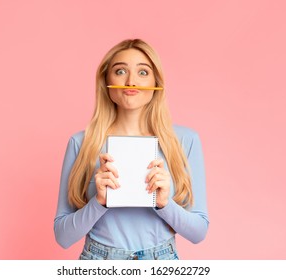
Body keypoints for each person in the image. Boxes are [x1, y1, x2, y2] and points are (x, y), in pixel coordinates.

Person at [54, 39, 209, 260]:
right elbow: (62, 237)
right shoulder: (81, 143)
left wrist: (165, 203)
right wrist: (98, 202)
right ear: (106, 81)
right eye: (120, 71)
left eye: (143, 72)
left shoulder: (185, 141)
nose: (131, 81)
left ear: (157, 82)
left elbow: (198, 232)